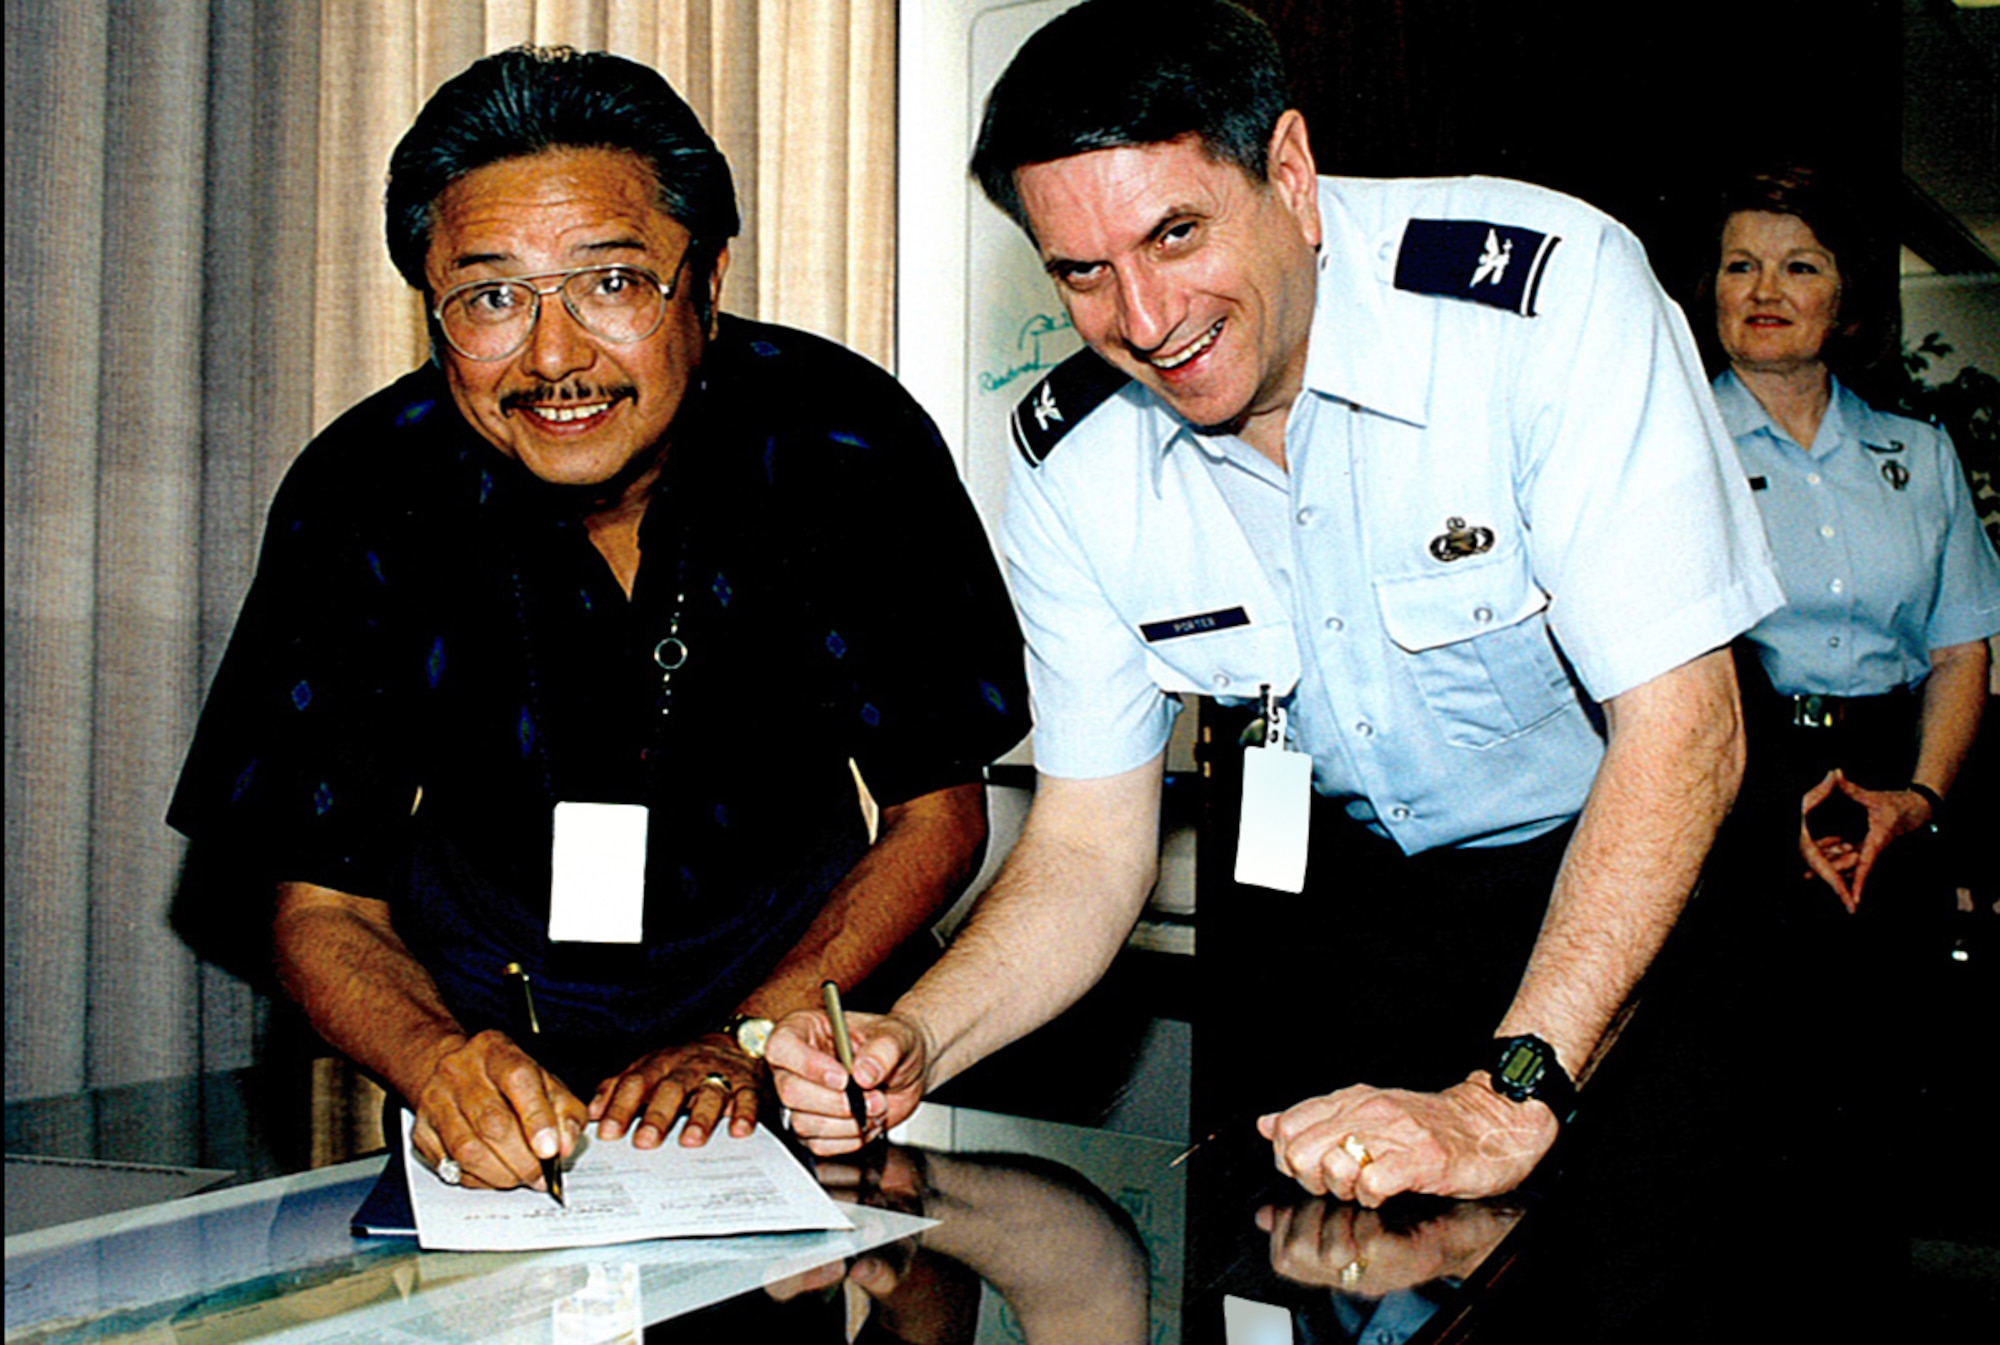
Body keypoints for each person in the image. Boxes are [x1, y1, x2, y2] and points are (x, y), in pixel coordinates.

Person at [771, 0, 1782, 1208]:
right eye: (1082, 274)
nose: (1143, 322)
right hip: (1362, 913)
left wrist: (1505, 1092)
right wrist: (917, 1040)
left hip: (1645, 883)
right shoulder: (1073, 458)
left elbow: (1684, 731)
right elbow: (1092, 845)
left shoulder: (1541, 300)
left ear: (1290, 174)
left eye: (1176, 235)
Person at [168, 45, 1028, 1194]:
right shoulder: (364, 491)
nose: (556, 355)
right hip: (488, 1074)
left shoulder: (843, 445)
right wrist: (439, 1061)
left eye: (611, 283)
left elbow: (936, 811)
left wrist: (753, 1037)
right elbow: (316, 901)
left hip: (806, 1050)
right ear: (432, 310)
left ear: (707, 279)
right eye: (490, 298)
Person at [1699, 166, 1999, 916]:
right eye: (1743, 267)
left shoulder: (1921, 454)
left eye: (1799, 266)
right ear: (1713, 291)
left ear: (1845, 295)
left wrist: (1919, 799)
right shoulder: (1673, 449)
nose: (1766, 291)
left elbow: (1960, 651)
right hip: (1729, 780)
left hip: (1892, 786)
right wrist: (1766, 805)